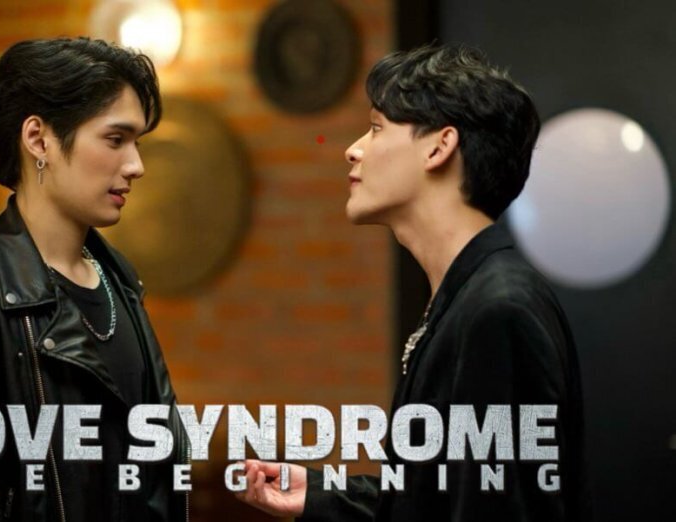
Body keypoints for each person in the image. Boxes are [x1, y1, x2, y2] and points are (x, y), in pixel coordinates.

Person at [237, 44, 592, 521]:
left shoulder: (498, 310)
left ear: (438, 147)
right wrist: (321, 495)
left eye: (377, 128)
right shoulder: (467, 295)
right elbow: (436, 496)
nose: (353, 149)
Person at [0, 37, 189, 521]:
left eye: (137, 143)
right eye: (115, 139)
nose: (136, 166)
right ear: (38, 139)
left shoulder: (119, 281)